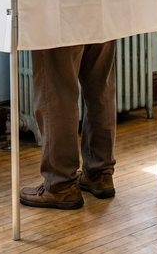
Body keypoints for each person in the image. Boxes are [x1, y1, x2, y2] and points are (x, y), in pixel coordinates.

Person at [20, 41, 118, 209]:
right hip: (101, 16)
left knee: (56, 90)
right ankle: (101, 173)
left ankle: (61, 184)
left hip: (59, 18)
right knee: (101, 86)